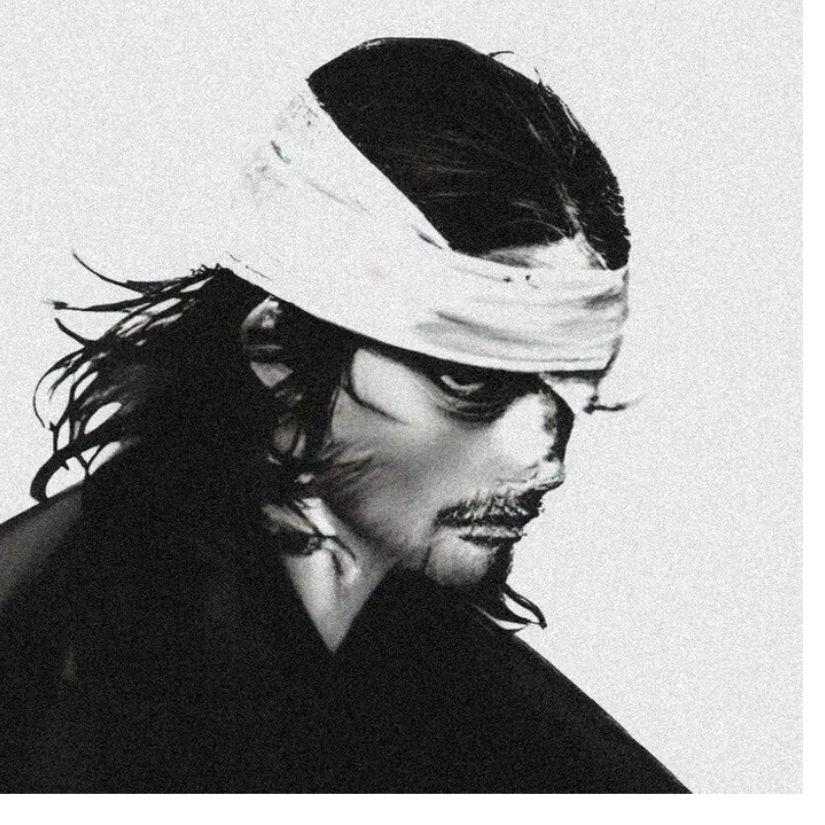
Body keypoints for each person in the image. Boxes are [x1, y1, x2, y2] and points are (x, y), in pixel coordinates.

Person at [0, 38, 690, 793]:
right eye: (466, 377)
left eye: (566, 386)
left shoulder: (463, 697)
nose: (543, 459)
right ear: (277, 349)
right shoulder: (67, 649)